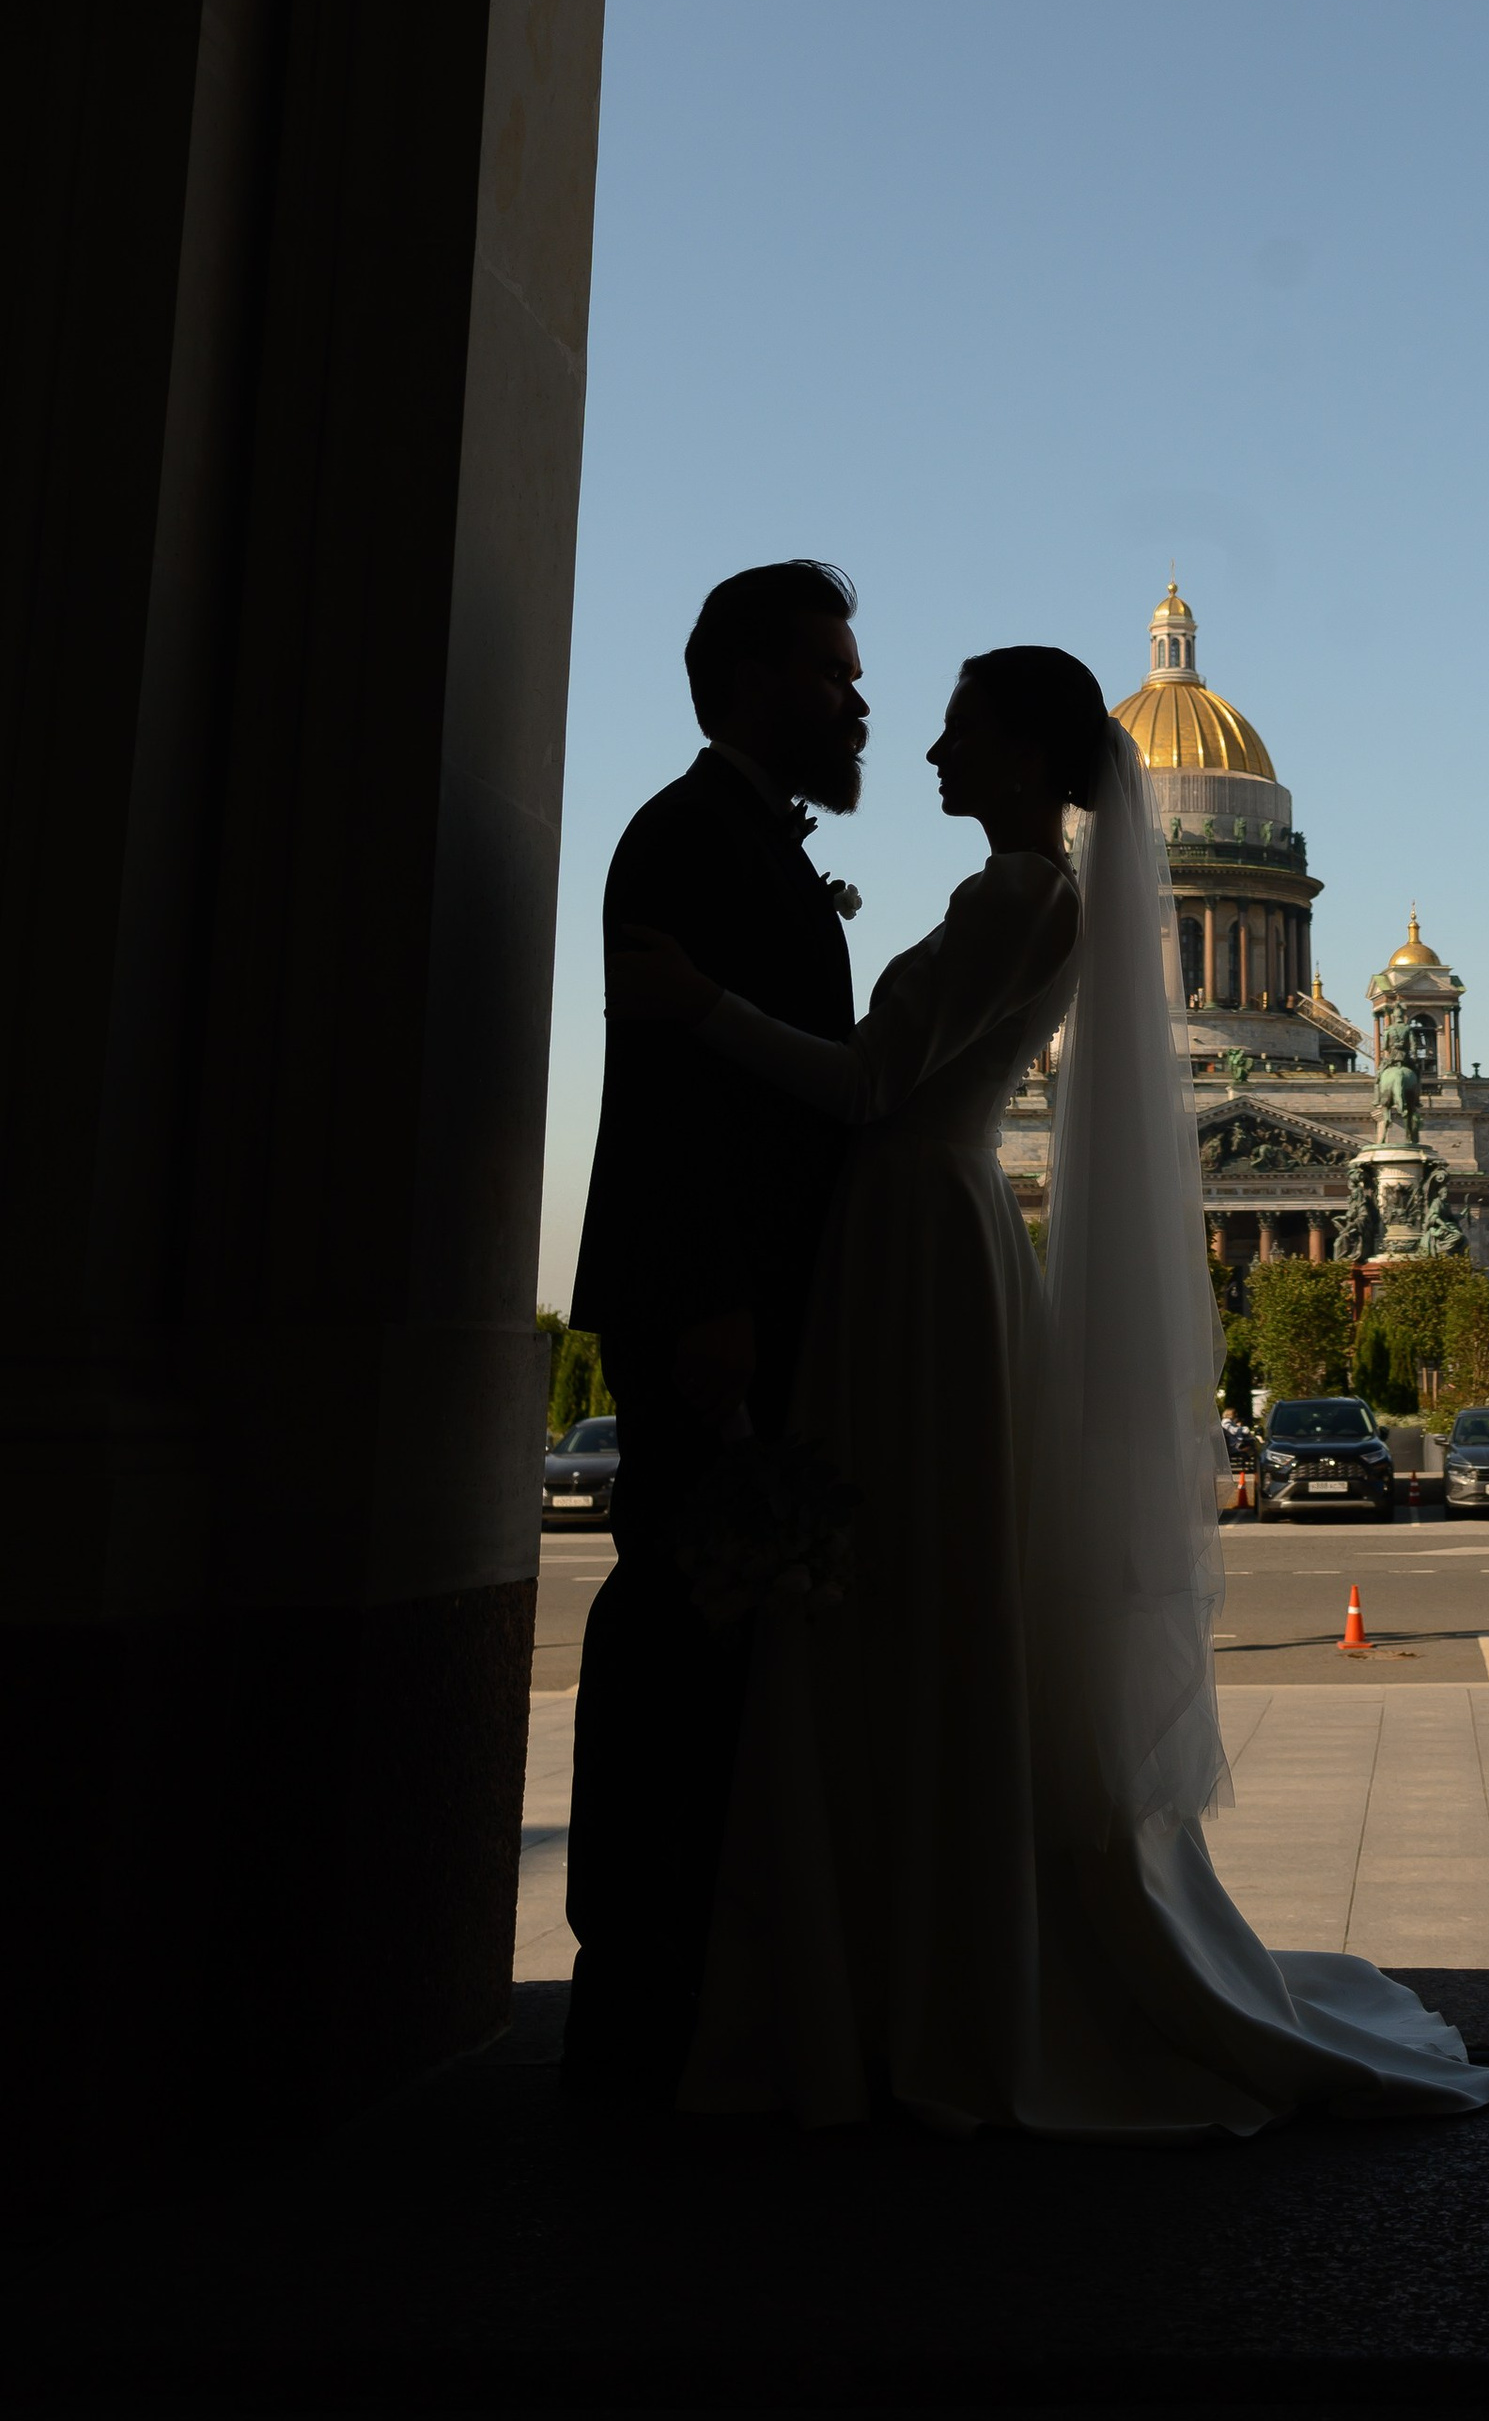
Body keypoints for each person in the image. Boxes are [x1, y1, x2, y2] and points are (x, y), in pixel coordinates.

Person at [607, 645, 1489, 2136]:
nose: (927, 748)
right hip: (927, 1241)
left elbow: (869, 1083)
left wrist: (695, 1003)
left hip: (919, 1246)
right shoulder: (1035, 896)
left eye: (960, 730)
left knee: (919, 1584)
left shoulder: (1022, 893)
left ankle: (925, 1967)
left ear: (1033, 760)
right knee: (940, 1580)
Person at [563, 560, 868, 2099]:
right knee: (675, 1629)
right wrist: (714, 1306)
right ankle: (632, 1982)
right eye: (830, 671)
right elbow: (679, 1106)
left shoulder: (742, 836)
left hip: (749, 1307)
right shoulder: (687, 837)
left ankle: (683, 1975)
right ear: (752, 681)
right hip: (715, 1317)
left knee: (717, 1634)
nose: (859, 699)